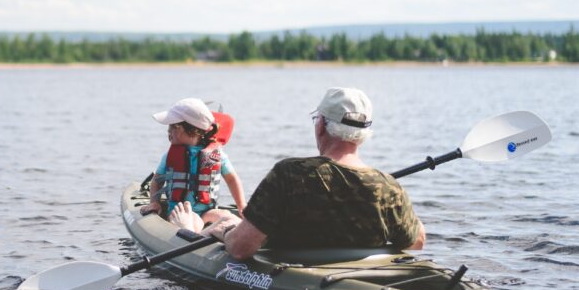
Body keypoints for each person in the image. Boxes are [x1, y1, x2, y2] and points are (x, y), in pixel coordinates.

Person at [187, 87, 425, 260]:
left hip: (294, 284)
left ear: (321, 125)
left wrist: (227, 229)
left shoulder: (289, 174)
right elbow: (417, 241)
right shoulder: (389, 186)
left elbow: (241, 248)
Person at [142, 98, 246, 231]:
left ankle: (236, 233)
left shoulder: (216, 155)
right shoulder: (169, 156)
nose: (168, 131)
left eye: (173, 127)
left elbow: (232, 179)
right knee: (194, 221)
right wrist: (154, 202)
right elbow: (156, 181)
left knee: (225, 215)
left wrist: (241, 205)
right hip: (179, 212)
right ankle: (199, 235)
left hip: (207, 212)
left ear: (189, 130)